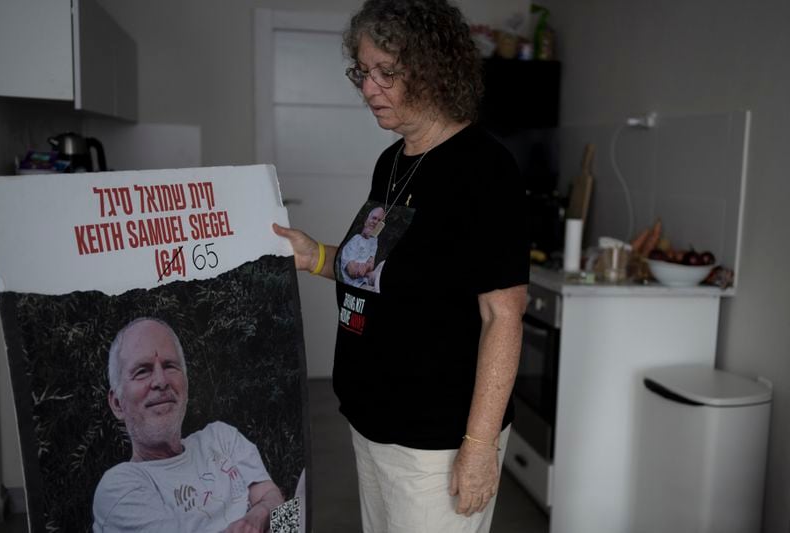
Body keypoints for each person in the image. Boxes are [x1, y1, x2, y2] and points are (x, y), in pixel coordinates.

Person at [273, 0, 530, 531]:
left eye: (386, 73)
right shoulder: (393, 161)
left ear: (434, 70)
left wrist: (479, 448)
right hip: (373, 419)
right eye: (363, 72)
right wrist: (314, 254)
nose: (369, 90)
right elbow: (379, 267)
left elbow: (502, 317)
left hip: (436, 437)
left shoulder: (484, 168)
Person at [92, 317, 284, 533]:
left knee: (311, 486)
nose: (160, 381)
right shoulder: (118, 487)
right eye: (142, 371)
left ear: (186, 384)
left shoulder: (222, 438)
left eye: (169, 366)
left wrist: (258, 515)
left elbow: (273, 497)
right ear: (117, 403)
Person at [339, 206, 385, 289]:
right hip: (355, 285)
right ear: (366, 221)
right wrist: (366, 267)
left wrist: (364, 267)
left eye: (379, 221)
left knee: (383, 265)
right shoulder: (355, 240)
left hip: (367, 279)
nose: (375, 222)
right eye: (374, 218)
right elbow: (353, 271)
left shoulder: (373, 241)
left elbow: (371, 265)